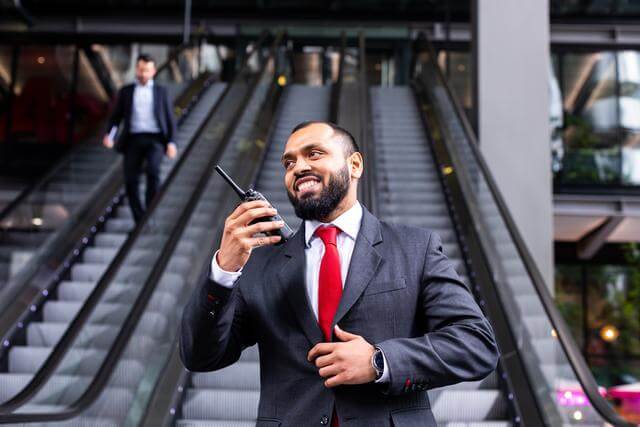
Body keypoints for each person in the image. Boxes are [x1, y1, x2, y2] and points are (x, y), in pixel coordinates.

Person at [180, 121, 499, 426]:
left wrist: (380, 361)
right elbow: (201, 357)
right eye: (289, 163)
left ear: (355, 165)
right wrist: (223, 271)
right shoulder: (262, 264)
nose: (298, 167)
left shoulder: (415, 247)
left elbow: (477, 344)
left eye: (314, 154)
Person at [103, 53, 177, 224]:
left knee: (153, 172)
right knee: (130, 180)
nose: (143, 73)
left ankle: (150, 212)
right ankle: (140, 218)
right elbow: (116, 117)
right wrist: (110, 135)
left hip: (156, 140)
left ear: (153, 71)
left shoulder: (161, 91)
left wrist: (171, 142)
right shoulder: (126, 91)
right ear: (137, 69)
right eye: (141, 69)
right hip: (133, 139)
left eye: (147, 70)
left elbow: (170, 119)